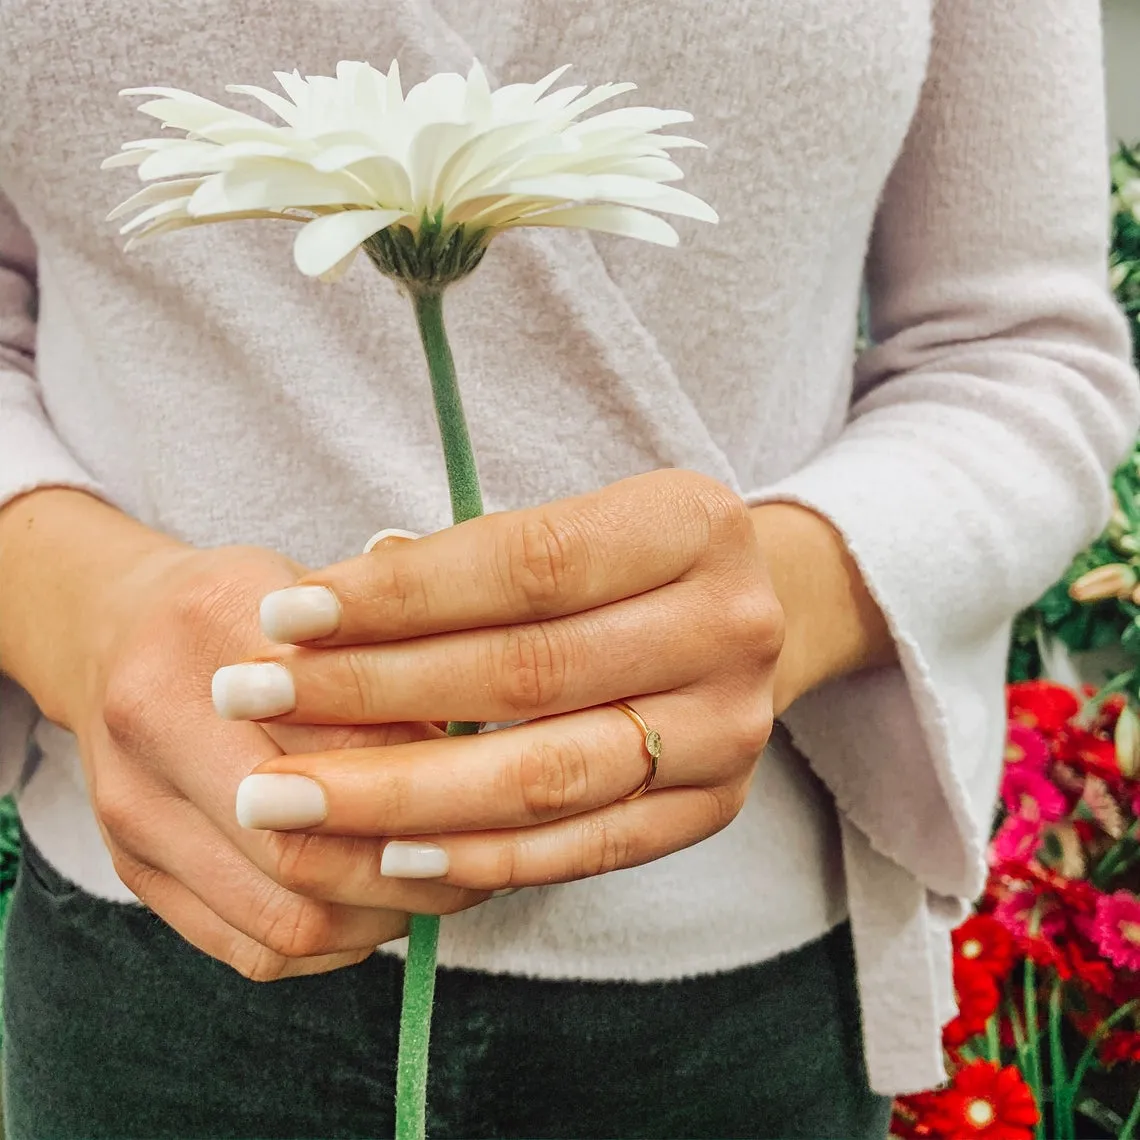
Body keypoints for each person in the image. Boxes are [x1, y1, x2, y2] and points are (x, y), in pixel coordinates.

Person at [0, 1, 1135, 1137]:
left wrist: (785, 597)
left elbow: (1019, 354)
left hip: (734, 983)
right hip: (146, 959)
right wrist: (87, 615)